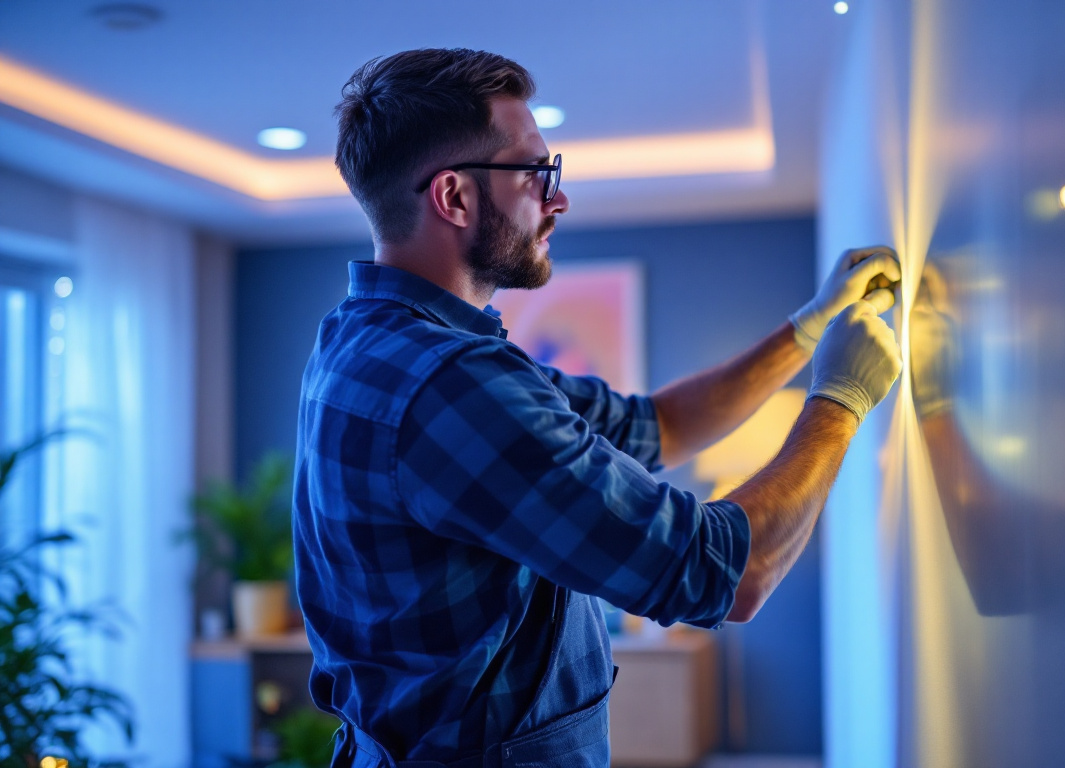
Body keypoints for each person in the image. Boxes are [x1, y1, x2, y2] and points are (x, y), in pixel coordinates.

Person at [293, 47, 902, 768]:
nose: (558, 200)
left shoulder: (362, 338)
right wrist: (840, 400)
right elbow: (729, 574)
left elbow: (659, 426)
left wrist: (807, 330)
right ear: (453, 197)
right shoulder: (452, 384)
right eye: (535, 173)